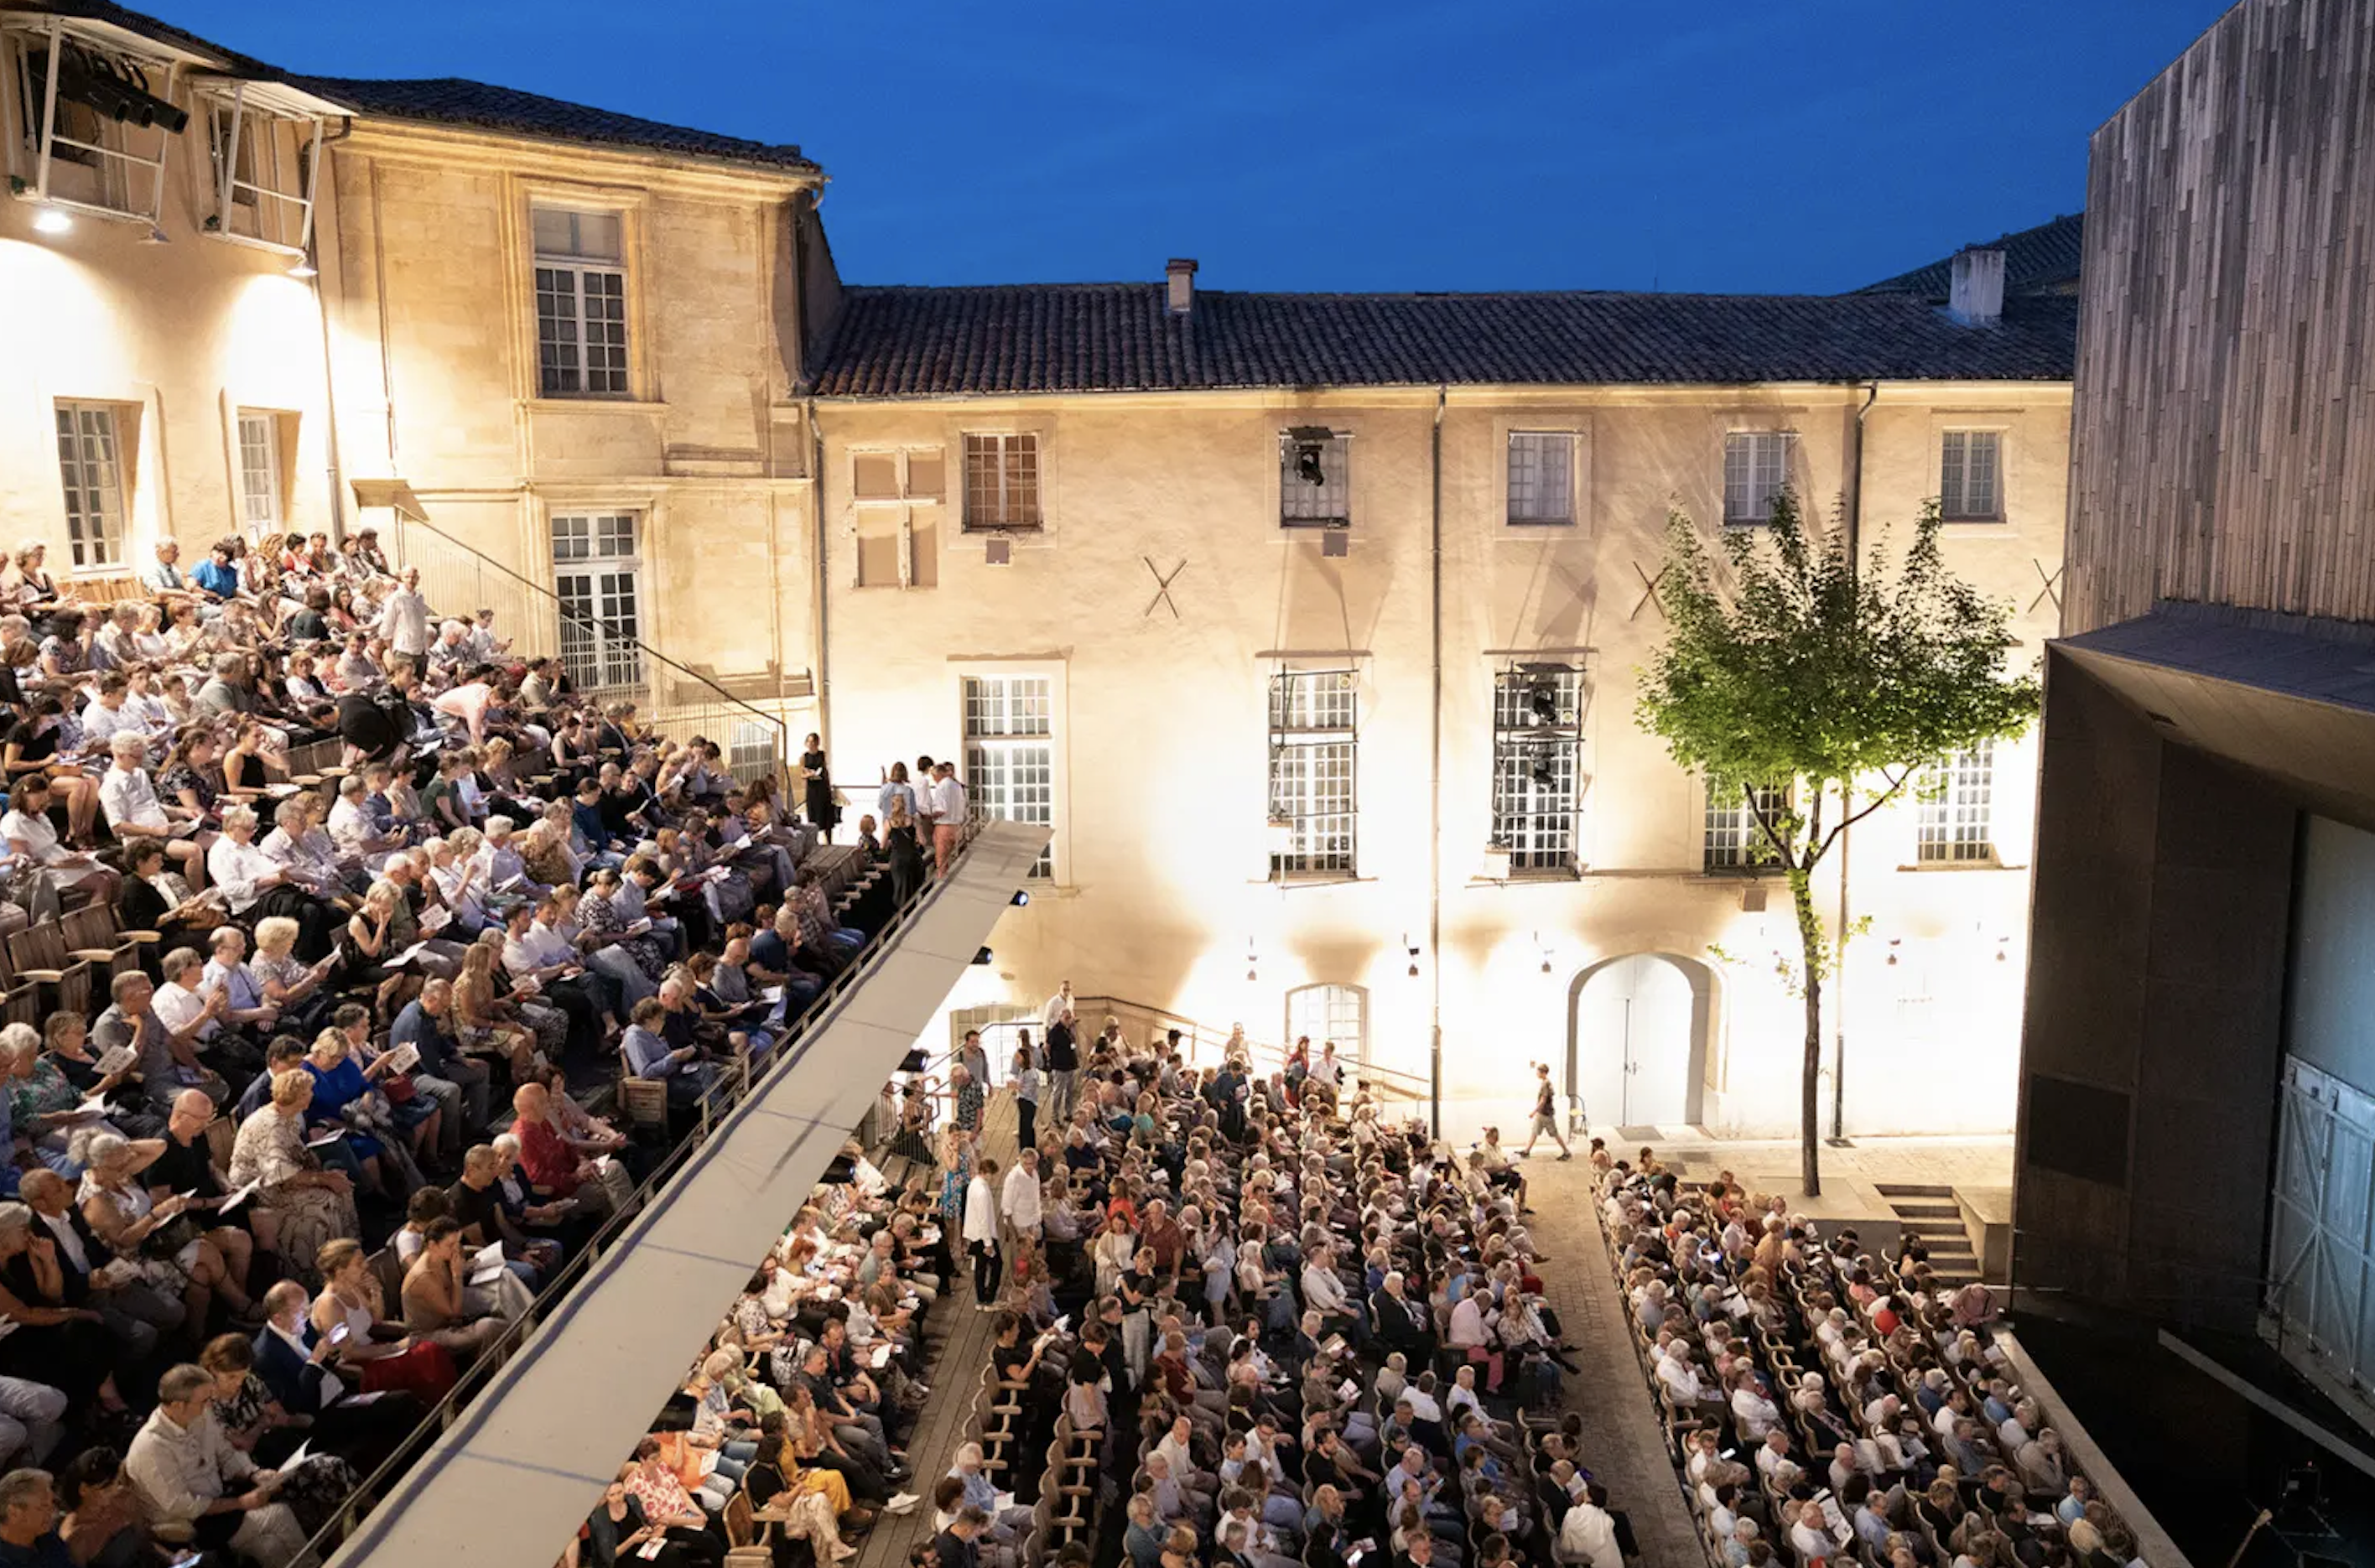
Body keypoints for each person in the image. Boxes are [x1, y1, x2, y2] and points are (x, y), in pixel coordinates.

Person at [124, 1363, 319, 1568]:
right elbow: (181, 1506)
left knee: (268, 1547)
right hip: (190, 1526)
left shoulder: (202, 1414)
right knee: (279, 1515)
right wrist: (241, 1503)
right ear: (178, 1405)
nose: (210, 1405)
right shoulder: (151, 1447)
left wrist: (254, 1474)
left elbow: (226, 1453)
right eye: (204, 1400)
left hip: (219, 1503)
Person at [1518, 1061, 1571, 1160]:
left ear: (1543, 1072)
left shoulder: (1545, 1084)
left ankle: (1566, 1152)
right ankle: (1526, 1151)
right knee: (1534, 1132)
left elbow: (1543, 1100)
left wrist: (1533, 1112)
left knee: (1554, 1133)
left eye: (1538, 1072)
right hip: (1542, 1113)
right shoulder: (1546, 1083)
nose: (1537, 1074)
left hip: (1546, 1114)